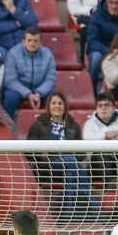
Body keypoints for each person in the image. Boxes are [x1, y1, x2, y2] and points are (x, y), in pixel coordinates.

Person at [26, 91, 101, 220]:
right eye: (54, 103)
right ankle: (97, 210)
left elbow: (81, 153)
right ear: (49, 106)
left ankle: (68, 214)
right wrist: (40, 154)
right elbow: (27, 151)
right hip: (46, 167)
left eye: (60, 103)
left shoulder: (74, 126)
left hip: (69, 168)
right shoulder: (39, 124)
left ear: (65, 106)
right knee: (70, 161)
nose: (57, 106)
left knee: (70, 169)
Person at [82, 91, 118, 186]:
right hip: (97, 167)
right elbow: (87, 137)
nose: (103, 108)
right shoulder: (90, 123)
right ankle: (110, 185)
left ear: (113, 108)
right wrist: (107, 137)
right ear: (96, 108)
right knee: (104, 150)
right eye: (100, 105)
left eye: (107, 105)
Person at [1, 27, 55, 117]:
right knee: (10, 97)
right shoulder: (13, 53)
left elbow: (50, 79)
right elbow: (10, 80)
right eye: (29, 40)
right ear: (23, 41)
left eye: (35, 41)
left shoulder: (48, 54)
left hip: (40, 89)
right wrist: (28, 94)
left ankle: (53, 127)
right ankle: (8, 126)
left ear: (41, 42)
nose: (32, 44)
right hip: (18, 89)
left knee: (54, 99)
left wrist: (39, 93)